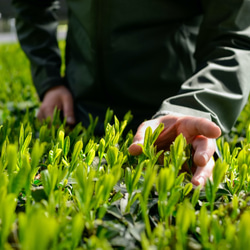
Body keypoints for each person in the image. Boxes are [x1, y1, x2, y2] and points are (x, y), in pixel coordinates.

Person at [12, 0, 250, 186]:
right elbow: (31, 5)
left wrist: (193, 108)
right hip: (79, 115)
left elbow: (235, 37)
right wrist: (50, 82)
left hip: (169, 124)